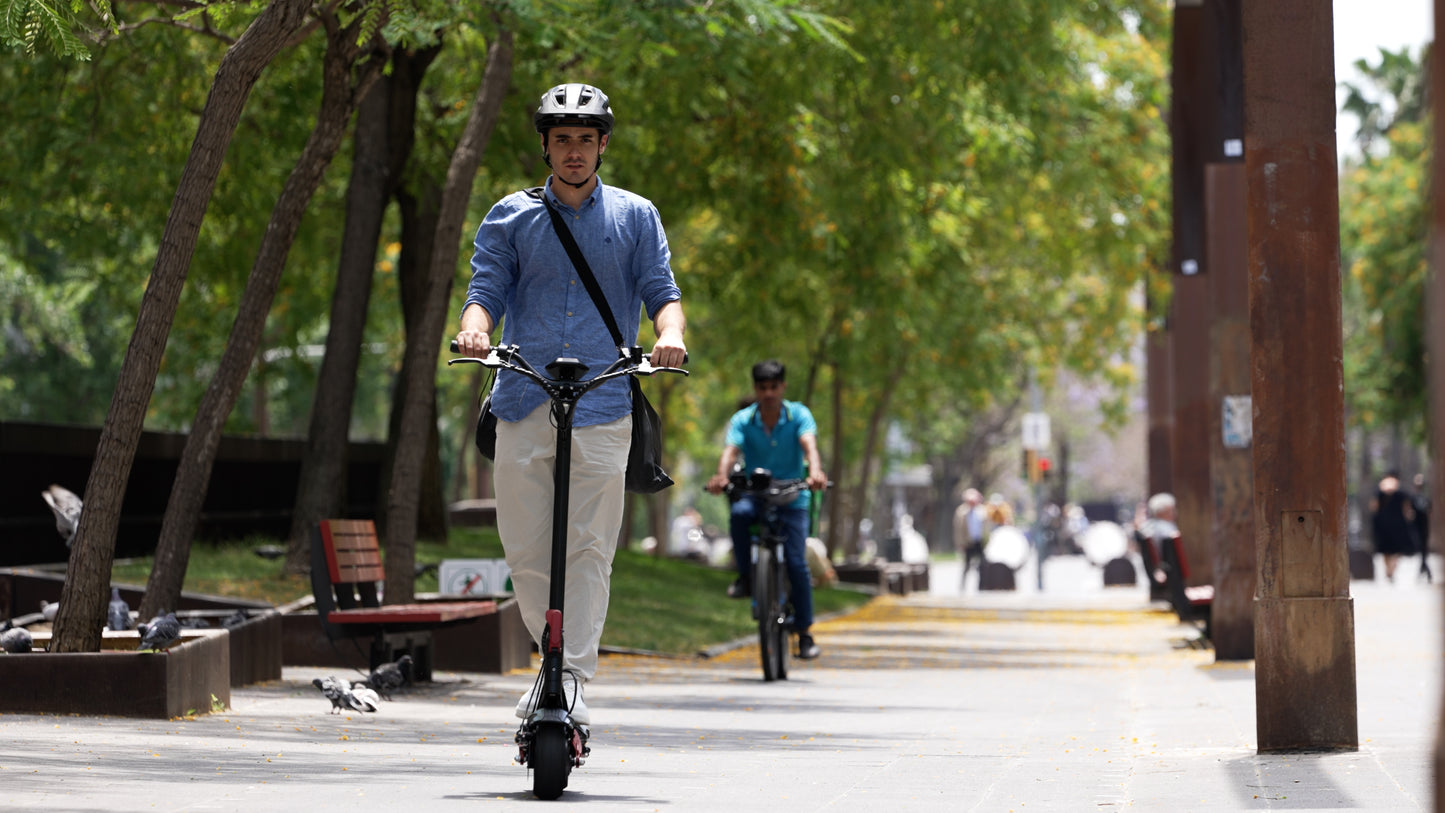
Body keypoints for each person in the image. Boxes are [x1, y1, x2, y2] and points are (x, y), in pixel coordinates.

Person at [455, 83, 687, 728]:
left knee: (588, 546)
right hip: (524, 394)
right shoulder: (510, 215)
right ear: (546, 146)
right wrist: (475, 328)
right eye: (563, 140)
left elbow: (659, 288)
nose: (575, 151)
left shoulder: (636, 216)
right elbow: (487, 287)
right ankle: (548, 656)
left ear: (603, 144)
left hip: (604, 397)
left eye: (586, 139)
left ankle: (571, 680)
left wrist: (669, 333)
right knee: (526, 548)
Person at [705, 360, 828, 660]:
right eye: (763, 388)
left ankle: (805, 633)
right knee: (740, 515)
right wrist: (721, 477)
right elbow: (730, 451)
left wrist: (816, 472)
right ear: (756, 389)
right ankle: (747, 577)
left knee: (797, 564)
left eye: (774, 387)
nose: (769, 393)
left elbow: (809, 445)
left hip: (793, 496)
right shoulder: (743, 420)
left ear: (783, 387)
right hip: (756, 493)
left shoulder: (799, 415)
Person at [1371, 470, 1419, 583]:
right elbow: (1407, 509)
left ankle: (1388, 569)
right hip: (1398, 525)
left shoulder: (1379, 492)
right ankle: (1392, 569)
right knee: (1398, 550)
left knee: (1385, 550)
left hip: (1382, 524)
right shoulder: (1401, 493)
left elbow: (1374, 507)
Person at [952, 488, 987, 586]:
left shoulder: (982, 510)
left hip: (979, 541)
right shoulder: (961, 511)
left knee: (983, 565)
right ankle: (962, 586)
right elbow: (958, 530)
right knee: (966, 565)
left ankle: (982, 586)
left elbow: (986, 527)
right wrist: (959, 543)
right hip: (968, 541)